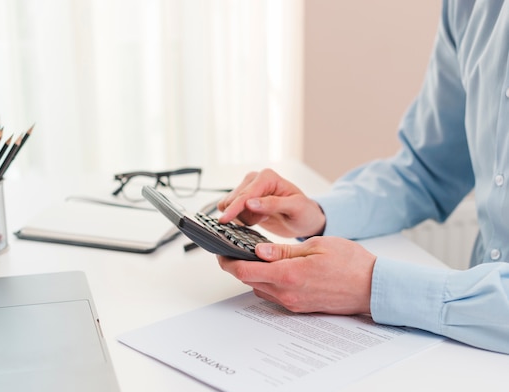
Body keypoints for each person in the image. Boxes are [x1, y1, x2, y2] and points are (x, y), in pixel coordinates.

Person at [215, 0, 509, 355]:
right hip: (470, 350)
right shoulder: (472, 8)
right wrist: (317, 213)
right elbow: (426, 169)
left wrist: (369, 286)